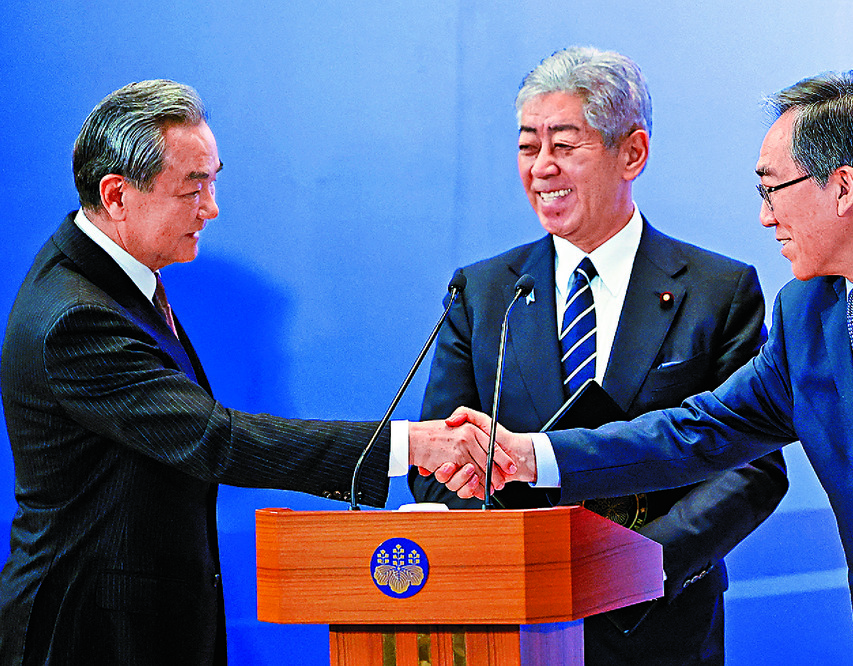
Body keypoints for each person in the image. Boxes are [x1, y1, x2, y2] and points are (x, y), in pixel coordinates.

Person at [445, 70, 853, 666]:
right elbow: (697, 431)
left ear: (842, 188)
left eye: (772, 190)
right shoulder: (806, 315)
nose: (765, 217)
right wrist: (531, 455)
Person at [0, 79, 514, 665]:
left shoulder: (116, 280)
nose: (212, 208)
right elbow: (215, 440)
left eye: (214, 180)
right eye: (193, 188)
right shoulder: (79, 318)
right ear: (117, 195)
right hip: (89, 635)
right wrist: (409, 446)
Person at [410, 47, 787, 665]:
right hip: (516, 626)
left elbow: (753, 467)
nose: (541, 168)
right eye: (528, 146)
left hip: (661, 624)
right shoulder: (482, 294)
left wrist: (630, 570)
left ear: (631, 152)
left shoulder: (719, 291)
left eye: (564, 144)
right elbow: (436, 465)